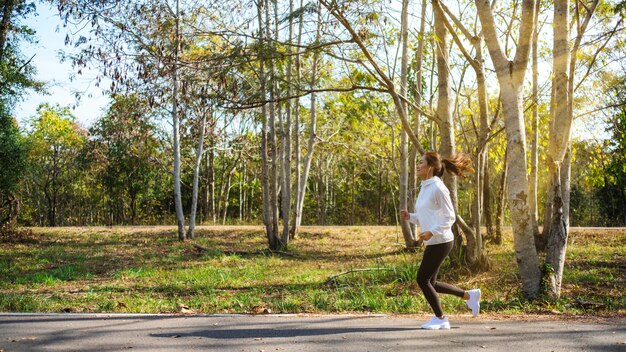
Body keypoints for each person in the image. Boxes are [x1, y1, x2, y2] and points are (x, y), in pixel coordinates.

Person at [400, 151, 480, 330]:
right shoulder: (425, 187)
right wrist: (410, 217)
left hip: (442, 240)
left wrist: (432, 232)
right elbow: (424, 217)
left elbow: (450, 217)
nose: (417, 165)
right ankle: (469, 296)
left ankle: (441, 318)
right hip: (434, 239)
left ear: (430, 167)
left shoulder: (438, 187)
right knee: (432, 282)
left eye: (421, 163)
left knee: (422, 279)